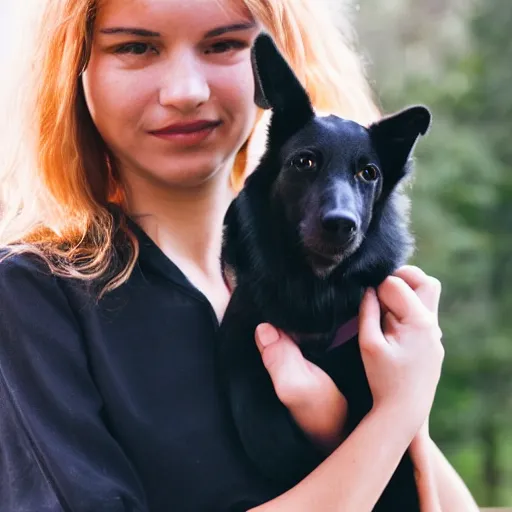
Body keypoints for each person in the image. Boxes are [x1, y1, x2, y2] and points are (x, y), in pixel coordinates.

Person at [0, 0, 480, 510]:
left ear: (277, 66)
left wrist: (381, 416)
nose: (185, 91)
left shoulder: (339, 294)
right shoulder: (31, 297)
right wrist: (395, 413)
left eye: (224, 44)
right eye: (136, 47)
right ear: (75, 66)